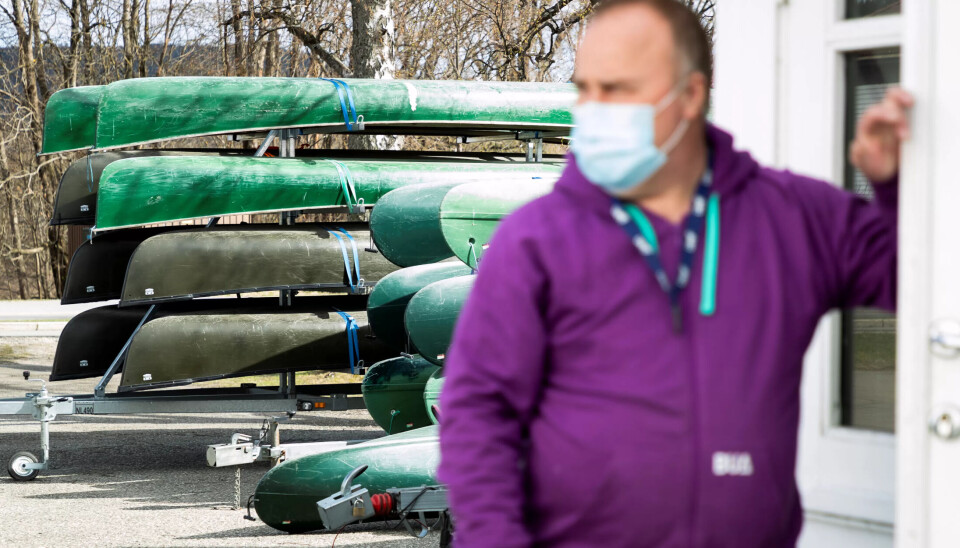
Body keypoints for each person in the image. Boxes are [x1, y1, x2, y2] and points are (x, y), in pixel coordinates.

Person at [437, 0, 912, 546]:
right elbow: (478, 416)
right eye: (585, 87)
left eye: (616, 90)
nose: (591, 109)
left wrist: (895, 186)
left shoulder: (792, 218)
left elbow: (920, 282)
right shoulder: (535, 240)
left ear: (689, 95)